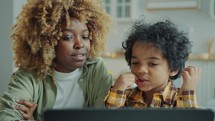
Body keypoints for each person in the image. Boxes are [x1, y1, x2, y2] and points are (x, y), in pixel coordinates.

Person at [0, 0, 113, 120]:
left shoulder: (96, 69)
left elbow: (105, 117)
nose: (80, 44)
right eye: (68, 37)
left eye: (85, 36)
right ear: (47, 42)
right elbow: (8, 116)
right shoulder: (29, 75)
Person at [105, 19, 201, 108]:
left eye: (152, 64)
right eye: (135, 62)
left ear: (173, 68)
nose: (140, 70)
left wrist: (187, 92)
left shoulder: (179, 99)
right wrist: (117, 90)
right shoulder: (125, 96)